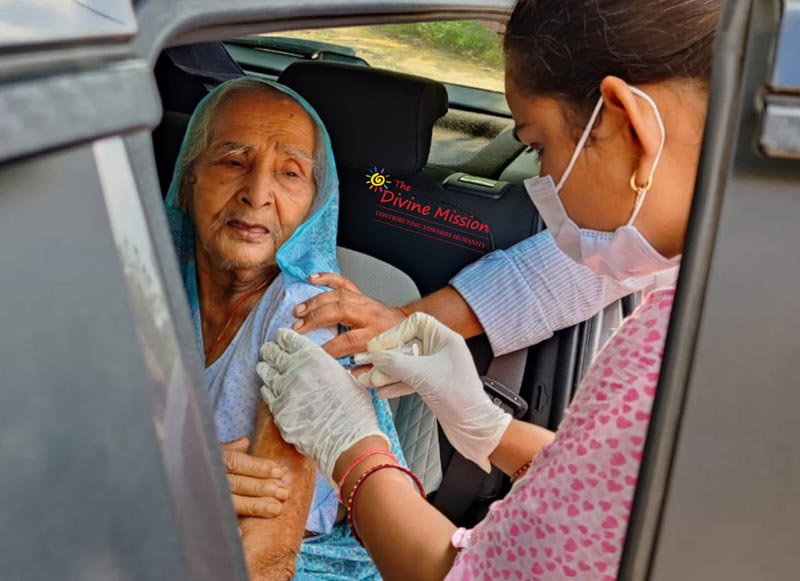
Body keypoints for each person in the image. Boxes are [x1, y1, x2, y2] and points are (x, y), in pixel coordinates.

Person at [256, 0, 719, 579]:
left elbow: (481, 573)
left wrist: (351, 446)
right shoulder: (722, 301)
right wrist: (487, 427)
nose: (542, 181)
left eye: (538, 146)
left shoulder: (678, 353)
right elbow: (616, 501)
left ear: (627, 121)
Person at [164, 77, 405, 580]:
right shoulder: (148, 288)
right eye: (233, 162)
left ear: (314, 207)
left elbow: (269, 554)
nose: (257, 194)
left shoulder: (304, 315)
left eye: (290, 173)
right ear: (188, 183)